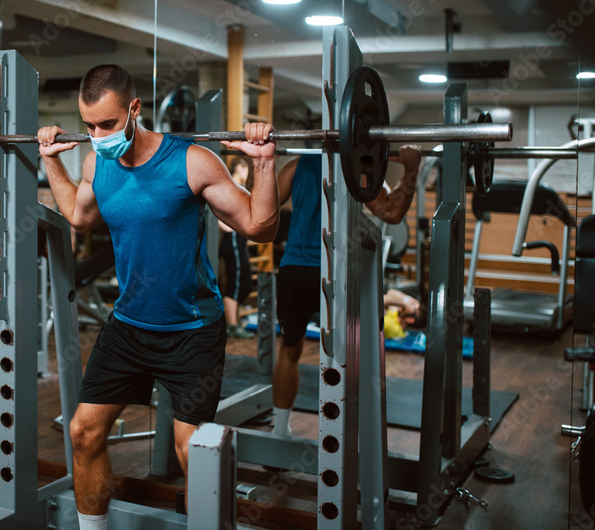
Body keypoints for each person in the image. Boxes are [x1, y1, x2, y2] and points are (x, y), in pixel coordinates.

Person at [37, 65, 278, 529]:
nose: (98, 135)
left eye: (107, 124)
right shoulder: (96, 162)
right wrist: (52, 160)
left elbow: (259, 227)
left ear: (134, 109)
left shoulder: (193, 162)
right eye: (88, 126)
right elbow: (78, 215)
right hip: (128, 326)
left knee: (195, 453)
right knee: (83, 432)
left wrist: (264, 162)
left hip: (191, 331)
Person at [271, 144, 421, 437]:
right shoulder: (359, 171)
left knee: (289, 352)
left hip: (296, 269)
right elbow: (391, 213)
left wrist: (261, 166)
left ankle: (279, 431)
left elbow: (264, 209)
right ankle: (343, 441)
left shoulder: (296, 166)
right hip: (337, 271)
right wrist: (411, 168)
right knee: (346, 352)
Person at [218, 156, 255, 339]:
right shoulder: (229, 185)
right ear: (240, 167)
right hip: (231, 239)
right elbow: (221, 220)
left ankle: (232, 322)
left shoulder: (240, 188)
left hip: (237, 240)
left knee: (245, 284)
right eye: (247, 168)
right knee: (236, 282)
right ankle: (232, 326)